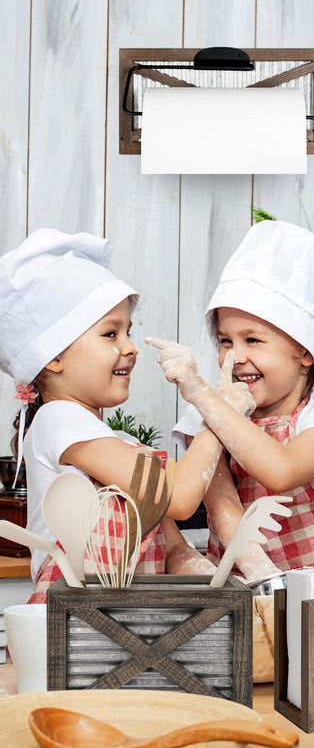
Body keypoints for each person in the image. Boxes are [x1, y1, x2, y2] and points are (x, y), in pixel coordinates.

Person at [0, 229, 236, 602]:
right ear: (53, 356)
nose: (130, 347)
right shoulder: (57, 419)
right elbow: (178, 498)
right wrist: (217, 411)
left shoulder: (121, 447)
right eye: (110, 334)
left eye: (128, 331)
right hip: (75, 635)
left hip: (128, 633)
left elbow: (175, 551)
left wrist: (222, 590)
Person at [151, 221, 314, 581]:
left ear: (305, 351)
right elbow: (222, 504)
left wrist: (205, 396)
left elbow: (283, 471)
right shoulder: (206, 416)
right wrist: (262, 582)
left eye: (253, 340)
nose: (236, 356)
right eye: (226, 341)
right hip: (240, 583)